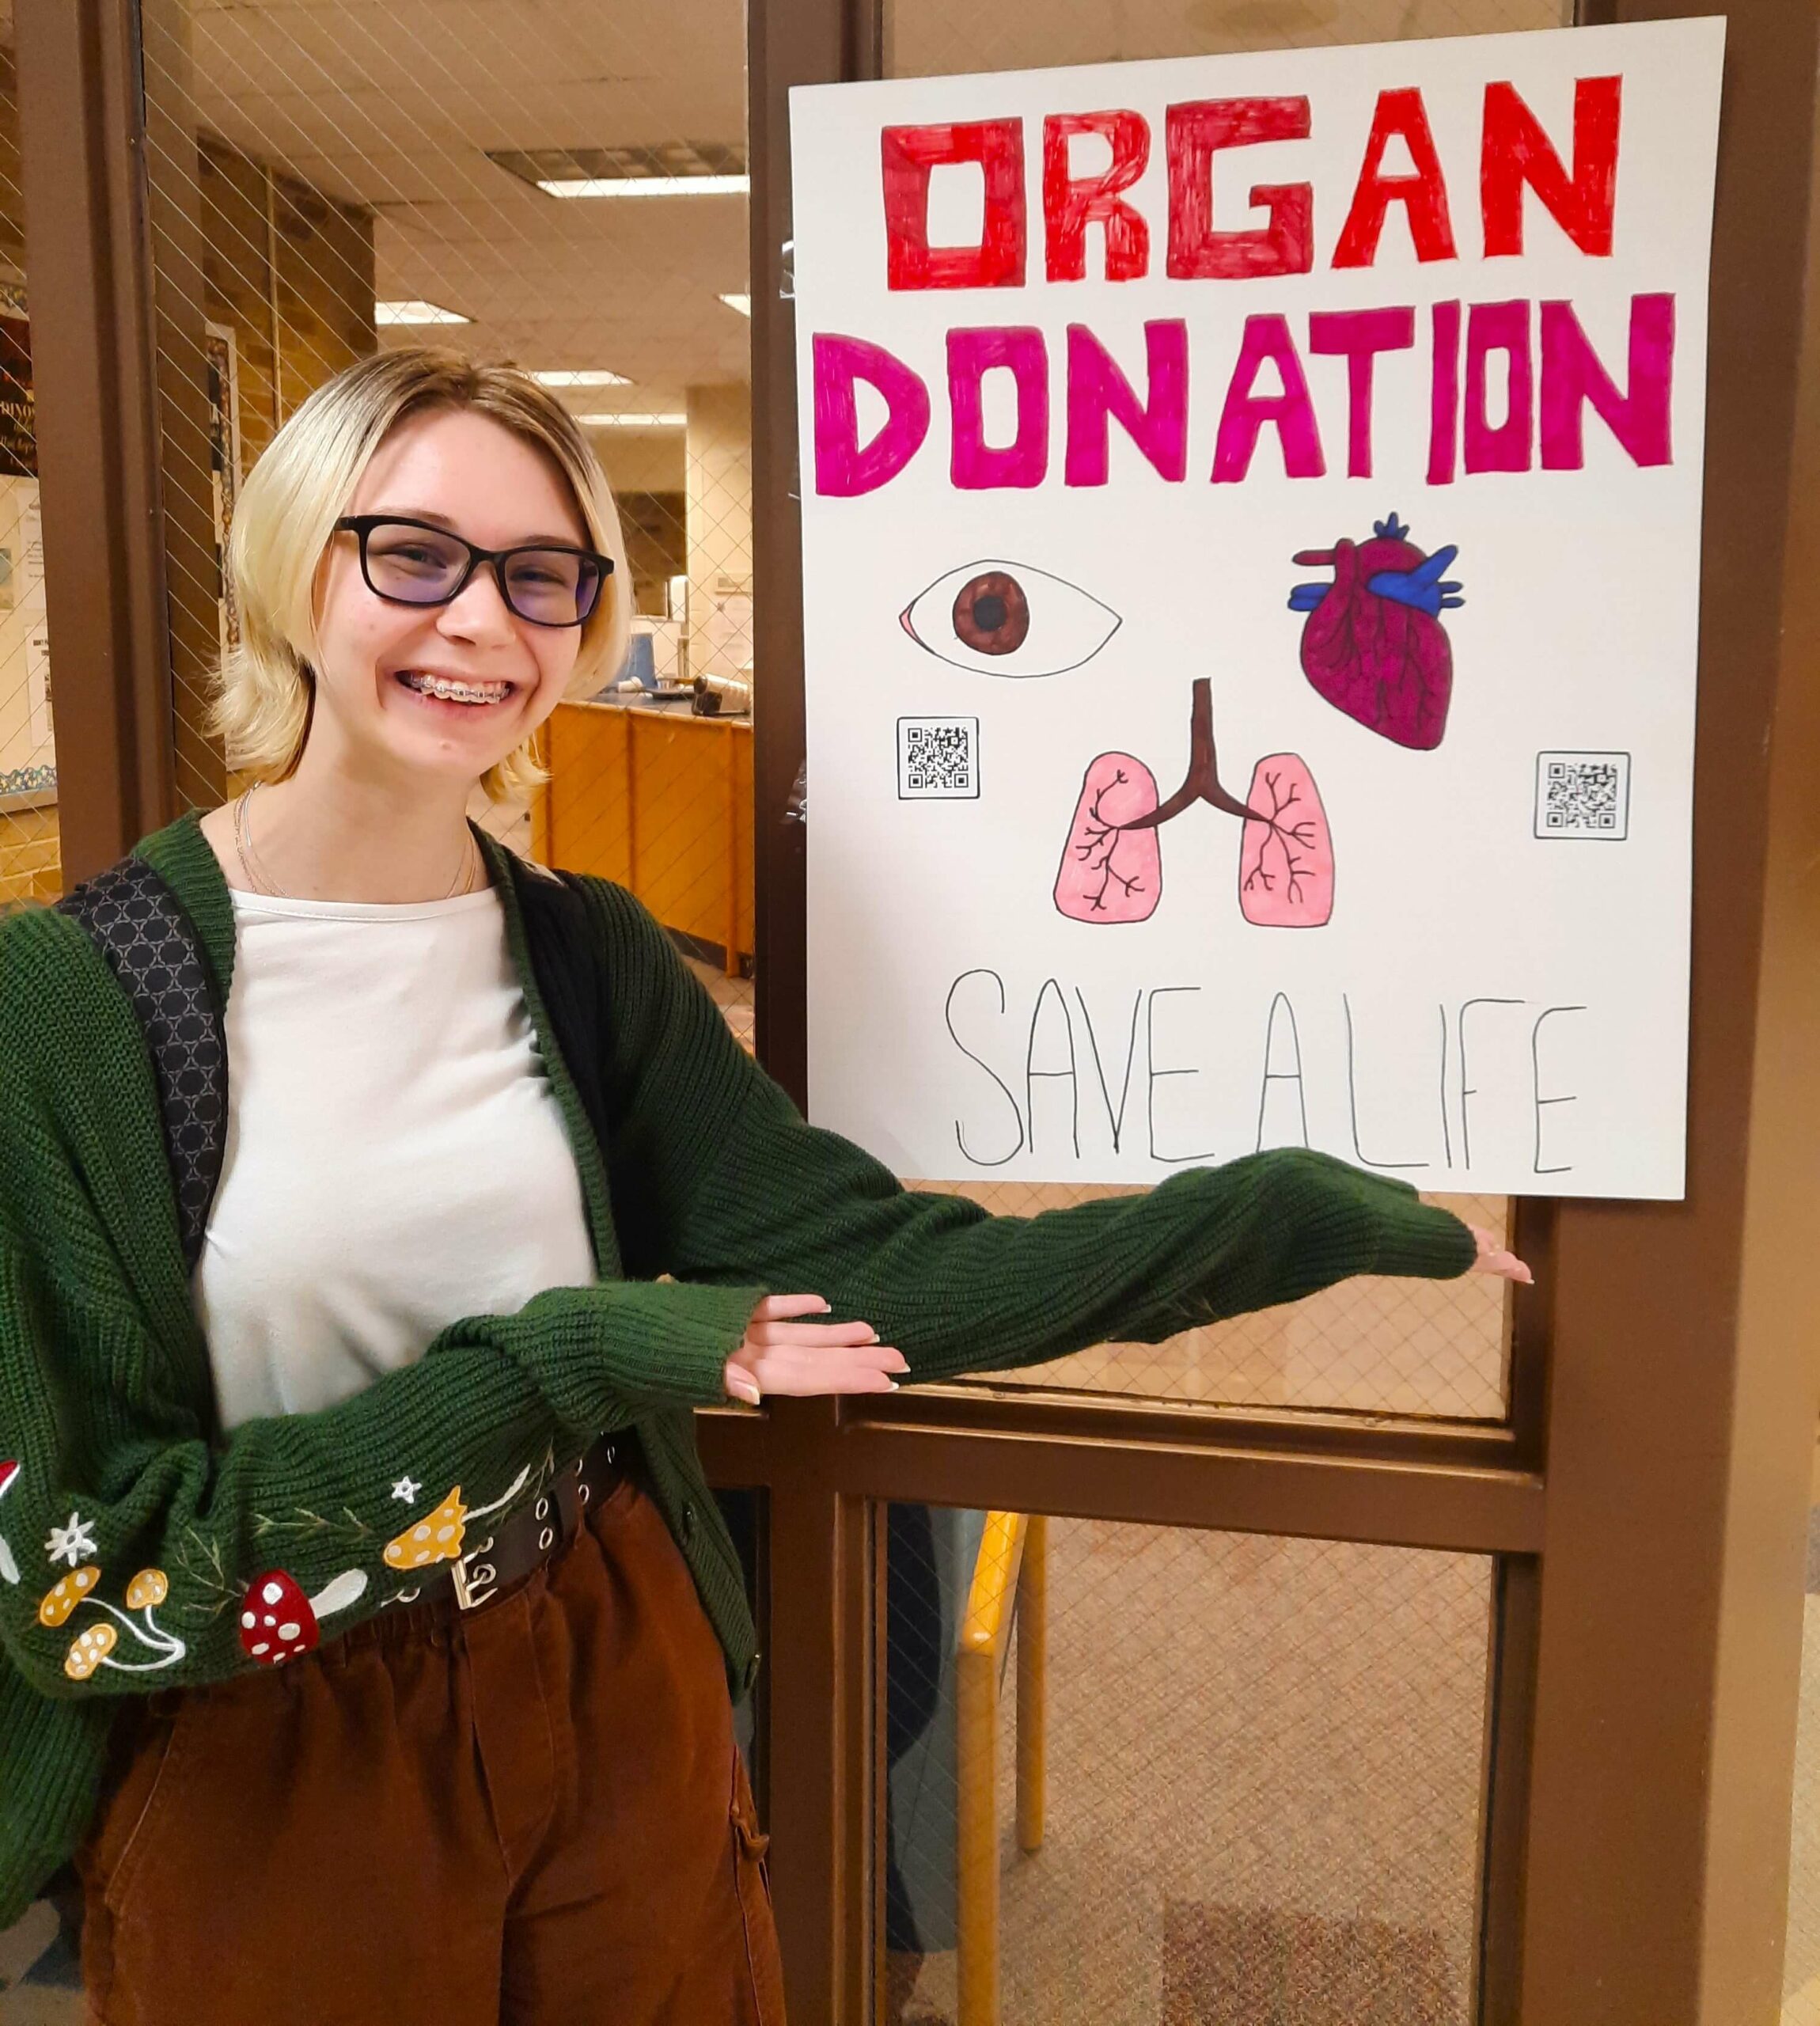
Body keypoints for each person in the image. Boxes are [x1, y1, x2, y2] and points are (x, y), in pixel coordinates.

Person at [0, 347, 1530, 2025]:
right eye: (414, 554)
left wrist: (1297, 1214)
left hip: (604, 1652)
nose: (481, 624)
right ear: (298, 568)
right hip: (275, 1741)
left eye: (541, 576)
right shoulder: (69, 1009)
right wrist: (575, 1356)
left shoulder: (582, 951)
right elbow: (98, 1582)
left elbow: (880, 1269)